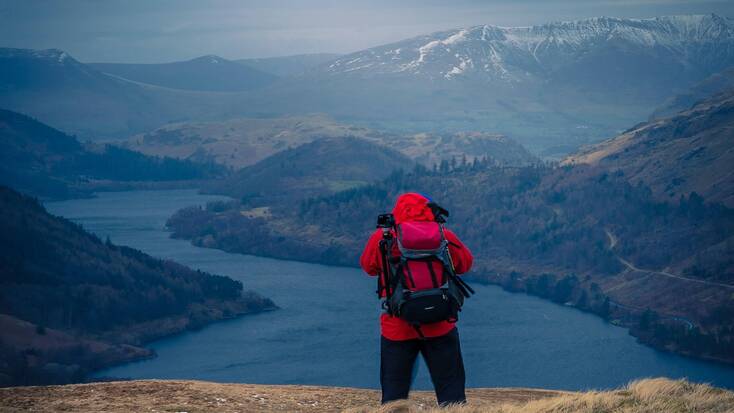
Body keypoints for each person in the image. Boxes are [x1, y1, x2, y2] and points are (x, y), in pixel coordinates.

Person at [359, 192, 473, 406]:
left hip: (398, 327)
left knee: (395, 392)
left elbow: (368, 267)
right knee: (451, 391)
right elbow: (465, 264)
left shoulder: (384, 238)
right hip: (441, 324)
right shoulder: (443, 235)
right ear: (428, 210)